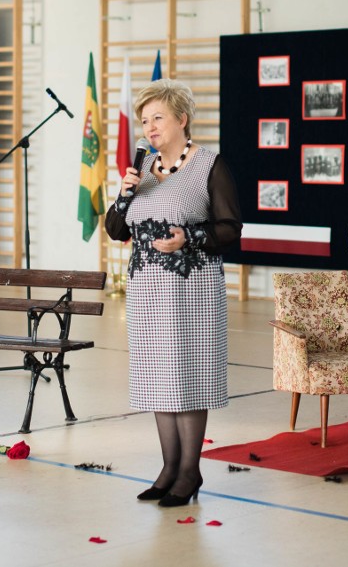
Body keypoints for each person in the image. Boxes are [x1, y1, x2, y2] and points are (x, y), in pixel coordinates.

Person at [105, 79, 242, 507]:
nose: (149, 127)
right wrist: (125, 196)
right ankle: (168, 467)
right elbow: (114, 230)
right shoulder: (141, 172)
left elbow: (231, 228)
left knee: (187, 377)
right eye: (144, 121)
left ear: (182, 118)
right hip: (147, 292)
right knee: (157, 378)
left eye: (157, 118)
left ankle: (189, 471)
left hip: (192, 292)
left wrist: (190, 237)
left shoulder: (209, 165)